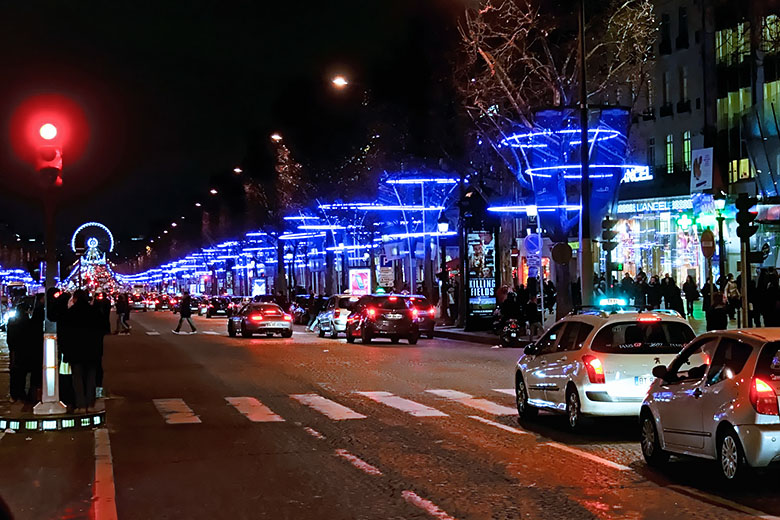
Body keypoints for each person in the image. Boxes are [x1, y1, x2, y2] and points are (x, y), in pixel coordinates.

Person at [59, 290, 102, 413]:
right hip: (92, 350)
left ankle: (81, 404)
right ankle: (90, 403)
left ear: (75, 299)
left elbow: (64, 334)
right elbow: (101, 330)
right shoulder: (94, 312)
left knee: (77, 378)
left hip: (75, 351)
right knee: (91, 377)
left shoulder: (70, 313)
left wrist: (65, 351)